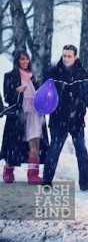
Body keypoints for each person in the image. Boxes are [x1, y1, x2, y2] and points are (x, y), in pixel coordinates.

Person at [42, 44, 88, 190]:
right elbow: (45, 94)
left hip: (76, 119)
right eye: (64, 55)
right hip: (58, 119)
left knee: (81, 151)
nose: (66, 58)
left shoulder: (82, 74)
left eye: (69, 56)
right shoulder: (53, 72)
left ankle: (84, 183)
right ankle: (46, 181)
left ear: (75, 57)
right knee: (54, 150)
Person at [1, 50, 49, 184]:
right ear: (17, 61)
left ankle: (33, 175)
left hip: (35, 113)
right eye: (22, 59)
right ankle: (8, 171)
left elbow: (39, 94)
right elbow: (7, 97)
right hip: (19, 115)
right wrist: (16, 91)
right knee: (14, 145)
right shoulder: (9, 76)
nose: (25, 62)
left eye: (27, 59)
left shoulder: (33, 76)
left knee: (35, 144)